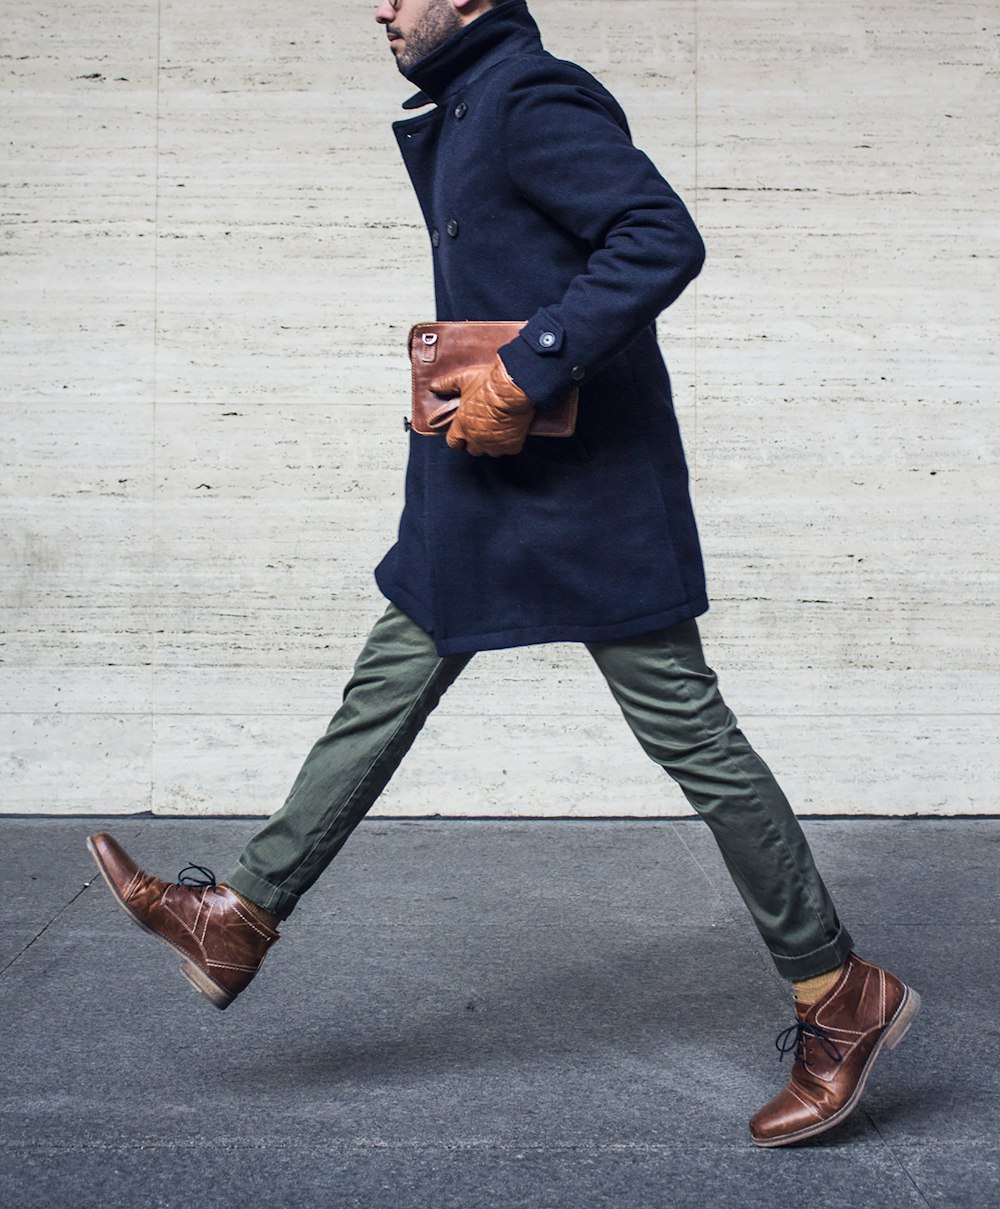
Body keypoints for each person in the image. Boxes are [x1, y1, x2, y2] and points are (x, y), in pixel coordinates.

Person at [86, 0, 919, 1147]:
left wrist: (527, 369)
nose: (379, 5)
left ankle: (838, 990)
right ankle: (239, 915)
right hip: (491, 478)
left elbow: (656, 234)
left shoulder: (528, 96)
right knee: (390, 674)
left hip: (584, 488)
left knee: (688, 729)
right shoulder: (470, 103)